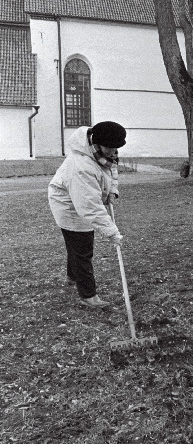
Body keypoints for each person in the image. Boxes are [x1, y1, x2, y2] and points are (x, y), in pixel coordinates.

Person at [48, 121, 127, 309]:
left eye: (116, 147)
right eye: (109, 147)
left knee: (76, 245)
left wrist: (111, 192)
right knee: (82, 248)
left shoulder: (102, 153)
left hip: (80, 198)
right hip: (67, 204)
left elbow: (111, 170)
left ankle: (72, 277)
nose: (113, 151)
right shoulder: (82, 166)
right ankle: (88, 296)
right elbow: (90, 207)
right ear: (97, 142)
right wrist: (112, 232)